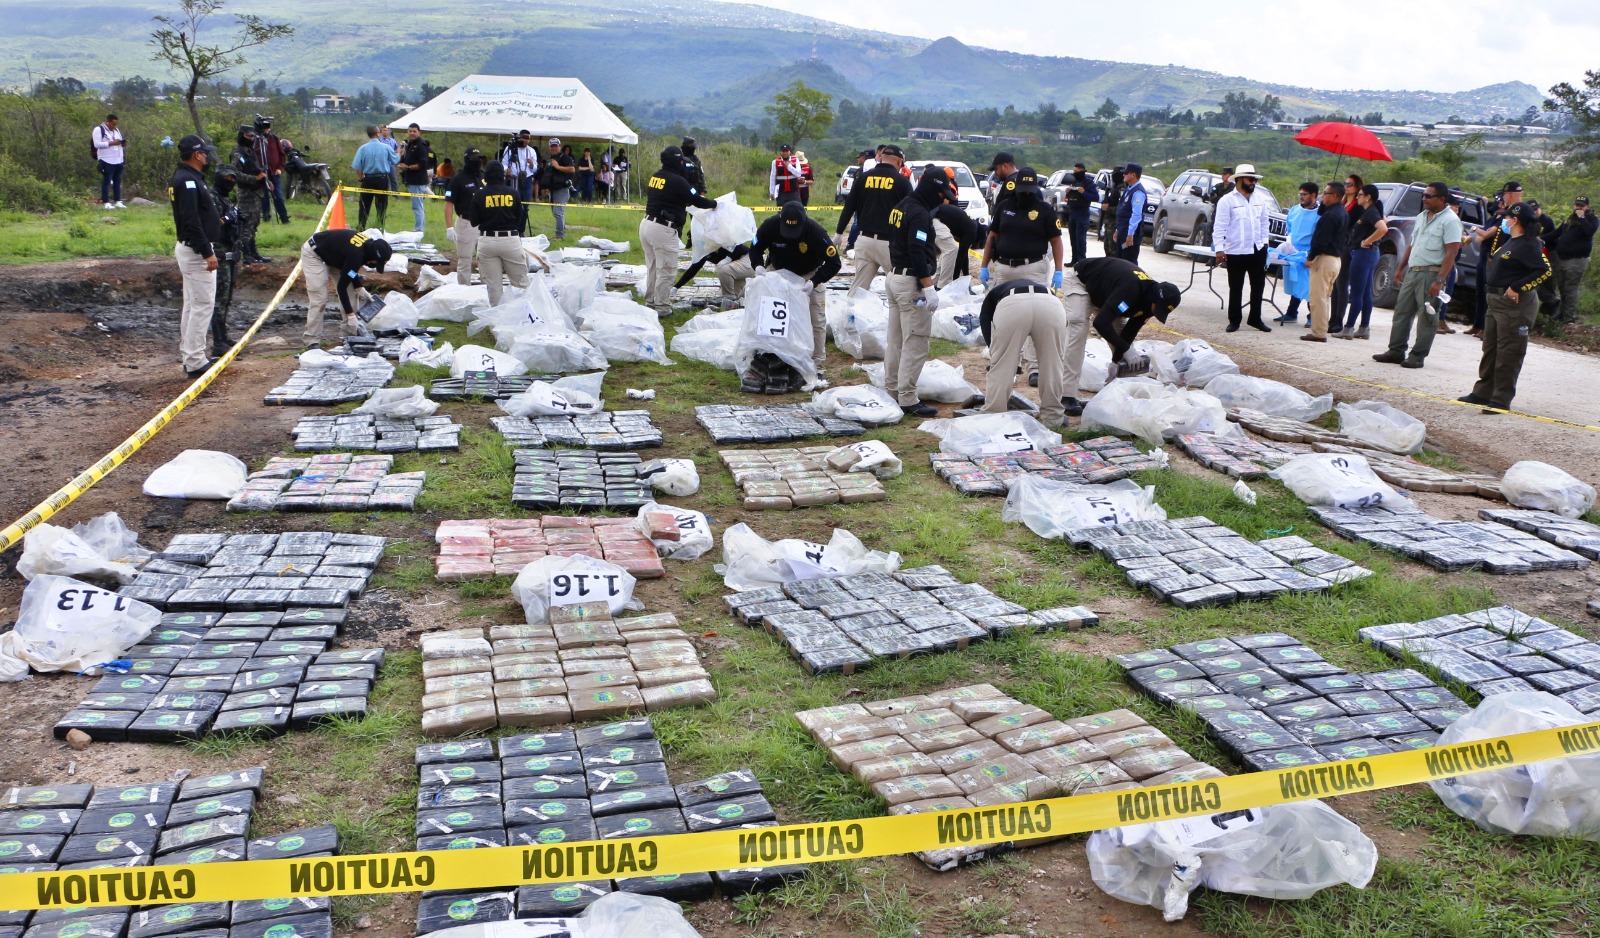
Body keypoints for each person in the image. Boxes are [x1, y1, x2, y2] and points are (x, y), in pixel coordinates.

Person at [1458, 202, 1552, 414]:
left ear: (1515, 220)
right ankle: (1483, 392)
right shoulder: (1512, 240)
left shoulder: (1530, 244)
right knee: (1490, 348)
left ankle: (1500, 399)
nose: (1504, 221)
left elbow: (1544, 271)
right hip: (1495, 302)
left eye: (1506, 218)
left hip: (1513, 306)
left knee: (1509, 351)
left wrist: (1518, 286)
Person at [885, 167, 956, 416]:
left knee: (896, 341)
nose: (943, 198)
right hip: (911, 284)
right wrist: (928, 286)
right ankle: (907, 399)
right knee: (915, 342)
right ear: (932, 190)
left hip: (894, 277)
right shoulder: (919, 213)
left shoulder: (902, 205)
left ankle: (892, 390)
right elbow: (916, 250)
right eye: (942, 193)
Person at [749, 201, 843, 380]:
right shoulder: (769, 226)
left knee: (816, 319)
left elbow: (834, 263)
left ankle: (817, 365)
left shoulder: (816, 232)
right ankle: (768, 357)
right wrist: (758, 266)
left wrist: (814, 282)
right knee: (769, 316)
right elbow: (755, 248)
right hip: (777, 271)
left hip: (809, 274)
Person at [1374, 181, 1463, 369]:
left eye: (1429, 196)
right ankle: (1396, 350)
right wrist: (1400, 268)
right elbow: (1412, 244)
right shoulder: (1422, 216)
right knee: (1402, 311)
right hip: (1413, 272)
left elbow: (1451, 253)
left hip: (1432, 274)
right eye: (1424, 195)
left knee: (1427, 317)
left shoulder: (1450, 220)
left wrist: (1440, 280)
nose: (1424, 199)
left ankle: (1417, 356)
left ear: (1442, 199)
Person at [979, 278, 1068, 428]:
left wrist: (995, 351)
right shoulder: (1038, 288)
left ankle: (993, 415)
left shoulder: (994, 294)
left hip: (1013, 305)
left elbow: (985, 318)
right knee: (1053, 364)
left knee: (1002, 365)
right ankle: (1053, 417)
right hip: (1051, 304)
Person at [1075, 256, 1182, 380]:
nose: (1156, 313)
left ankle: (1115, 378)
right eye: (1159, 308)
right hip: (1081, 280)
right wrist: (1126, 349)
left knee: (1121, 341)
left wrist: (1116, 361)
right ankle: (1067, 386)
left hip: (1108, 296)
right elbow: (1100, 323)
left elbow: (1131, 330)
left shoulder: (1150, 302)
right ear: (1155, 298)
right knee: (1077, 329)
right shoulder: (1131, 290)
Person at [639, 145, 717, 314]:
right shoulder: (677, 181)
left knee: (653, 267)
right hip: (662, 228)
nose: (683, 164)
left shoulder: (656, 176)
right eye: (681, 161)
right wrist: (715, 204)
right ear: (676, 162)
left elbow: (671, 197)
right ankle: (662, 308)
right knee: (666, 271)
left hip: (647, 225)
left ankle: (651, 303)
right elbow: (697, 200)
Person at [168, 135, 220, 377]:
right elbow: (191, 220)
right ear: (196, 154)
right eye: (204, 152)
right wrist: (207, 252)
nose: (207, 156)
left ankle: (191, 355)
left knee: (192, 305)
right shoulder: (187, 180)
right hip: (196, 251)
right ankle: (195, 360)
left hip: (191, 248)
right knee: (202, 305)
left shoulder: (187, 177)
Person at [835, 144, 910, 292]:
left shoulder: (863, 178)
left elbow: (848, 207)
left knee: (858, 289)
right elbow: (909, 213)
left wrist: (838, 232)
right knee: (899, 288)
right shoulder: (902, 182)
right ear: (899, 161)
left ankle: (851, 308)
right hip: (889, 244)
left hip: (864, 241)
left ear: (881, 158)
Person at [299, 228, 392, 347]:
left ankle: (348, 335)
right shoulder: (357, 254)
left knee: (352, 291)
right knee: (319, 299)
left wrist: (359, 287)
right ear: (373, 257)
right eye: (375, 262)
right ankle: (312, 340)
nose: (373, 264)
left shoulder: (367, 248)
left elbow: (351, 271)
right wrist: (351, 315)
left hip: (335, 255)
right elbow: (341, 287)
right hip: (314, 253)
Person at [1212, 163, 1272, 332]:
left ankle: (1255, 318)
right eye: (1250, 179)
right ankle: (1234, 320)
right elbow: (1220, 226)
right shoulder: (1227, 200)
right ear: (1239, 180)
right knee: (1236, 287)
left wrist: (1264, 243)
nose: (1253, 182)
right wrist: (1219, 249)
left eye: (1254, 179)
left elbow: (1264, 223)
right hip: (1236, 250)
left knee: (1258, 286)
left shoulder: (1259, 199)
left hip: (1257, 249)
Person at [1468, 182, 1525, 337]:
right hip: (1490, 255)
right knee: (1482, 292)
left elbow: (1491, 235)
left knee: (1493, 294)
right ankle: (1479, 325)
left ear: (1510, 194)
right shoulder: (1501, 214)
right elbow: (1486, 236)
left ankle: (1488, 329)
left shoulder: (1521, 211)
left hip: (1504, 259)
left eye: (1503, 196)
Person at [1334, 184, 1389, 339]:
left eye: (1360, 194)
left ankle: (1348, 328)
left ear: (1368, 197)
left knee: (1357, 293)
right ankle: (1364, 327)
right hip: (1370, 254)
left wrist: (1367, 240)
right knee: (1365, 292)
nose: (1357, 197)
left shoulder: (1371, 212)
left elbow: (1383, 228)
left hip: (1363, 253)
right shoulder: (1372, 210)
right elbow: (1384, 220)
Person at [473, 163, 528, 307]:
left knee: (493, 286)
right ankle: (523, 313)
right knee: (520, 283)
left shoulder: (479, 194)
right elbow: (520, 218)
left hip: (487, 240)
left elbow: (474, 221)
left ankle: (496, 317)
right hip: (510, 239)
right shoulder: (513, 193)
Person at [1303, 181, 1349, 342]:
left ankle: (1318, 332)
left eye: (1326, 193)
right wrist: (1323, 203)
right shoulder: (1342, 212)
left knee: (1317, 297)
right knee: (1324, 296)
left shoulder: (1330, 216)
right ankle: (1321, 328)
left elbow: (1320, 240)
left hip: (1325, 259)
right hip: (1336, 259)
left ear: (1334, 196)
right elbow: (1321, 211)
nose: (1323, 196)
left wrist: (1310, 258)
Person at [1273, 183, 1319, 324]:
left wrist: (1311, 254)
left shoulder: (1320, 213)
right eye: (1300, 194)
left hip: (1310, 254)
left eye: (1304, 194)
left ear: (1313, 195)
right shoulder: (1294, 210)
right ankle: (1292, 312)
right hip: (1293, 253)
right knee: (1295, 283)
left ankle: (1313, 316)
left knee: (1309, 286)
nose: (1301, 197)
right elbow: (1290, 229)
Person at [209, 166, 241, 358]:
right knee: (219, 299)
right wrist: (229, 217)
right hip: (218, 250)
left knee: (227, 297)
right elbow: (213, 222)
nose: (230, 182)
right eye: (227, 178)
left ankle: (224, 336)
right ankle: (217, 342)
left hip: (230, 249)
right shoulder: (212, 197)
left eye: (233, 179)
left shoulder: (226, 198)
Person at [1549, 196, 1596, 323]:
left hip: (1577, 260)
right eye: (1577, 205)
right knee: (1562, 287)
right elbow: (1557, 233)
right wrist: (1540, 238)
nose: (1578, 208)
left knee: (1570, 288)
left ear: (1587, 207)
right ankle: (1562, 313)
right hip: (1562, 259)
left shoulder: (1591, 219)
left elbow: (1589, 232)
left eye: (1581, 206)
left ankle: (1569, 317)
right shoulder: (1570, 219)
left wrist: (1582, 218)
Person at [227, 125, 270, 265]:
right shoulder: (237, 154)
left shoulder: (250, 152)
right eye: (248, 136)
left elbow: (256, 169)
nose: (251, 139)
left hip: (256, 191)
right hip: (246, 192)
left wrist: (265, 180)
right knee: (246, 223)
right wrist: (254, 179)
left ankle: (253, 252)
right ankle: (246, 254)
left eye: (252, 136)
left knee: (254, 223)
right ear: (242, 136)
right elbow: (235, 173)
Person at [443, 147, 485, 286]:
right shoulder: (457, 180)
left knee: (486, 259)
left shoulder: (484, 177)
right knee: (465, 260)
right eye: (474, 158)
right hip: (467, 223)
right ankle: (464, 289)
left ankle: (486, 288)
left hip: (485, 223)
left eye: (479, 158)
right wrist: (449, 227)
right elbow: (449, 203)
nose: (477, 161)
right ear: (467, 160)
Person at [1329, 172, 1365, 332]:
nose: (1346, 186)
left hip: (1347, 246)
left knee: (1342, 284)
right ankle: (1332, 318)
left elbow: (1350, 226)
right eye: (1345, 183)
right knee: (1335, 284)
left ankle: (1338, 320)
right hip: (1336, 245)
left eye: (1350, 184)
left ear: (1357, 187)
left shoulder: (1357, 206)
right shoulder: (1342, 203)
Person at [352, 126, 398, 229]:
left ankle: (361, 227)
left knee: (364, 205)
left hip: (368, 179)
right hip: (382, 179)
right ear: (378, 134)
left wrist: (361, 178)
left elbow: (358, 168)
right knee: (381, 205)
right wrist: (399, 152)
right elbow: (395, 160)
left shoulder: (363, 148)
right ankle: (380, 227)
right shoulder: (386, 147)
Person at [397, 123, 435, 233]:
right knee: (418, 205)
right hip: (411, 179)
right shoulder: (410, 144)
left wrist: (408, 167)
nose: (412, 133)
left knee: (417, 206)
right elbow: (407, 160)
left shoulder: (421, 145)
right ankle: (419, 228)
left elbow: (423, 164)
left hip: (418, 180)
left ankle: (418, 230)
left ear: (419, 132)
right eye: (410, 131)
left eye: (414, 131)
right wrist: (402, 160)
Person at [933, 197, 978, 288]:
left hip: (934, 216)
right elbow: (960, 257)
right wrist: (954, 282)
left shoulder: (968, 224)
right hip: (935, 218)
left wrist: (966, 277)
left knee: (947, 249)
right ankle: (943, 286)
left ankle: (934, 282)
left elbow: (964, 255)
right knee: (952, 249)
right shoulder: (972, 229)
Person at [253, 116, 290, 225]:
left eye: (268, 128)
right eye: (265, 128)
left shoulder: (274, 138)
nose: (267, 130)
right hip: (262, 172)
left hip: (274, 172)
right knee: (264, 196)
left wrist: (279, 168)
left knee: (278, 196)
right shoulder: (255, 141)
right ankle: (266, 217)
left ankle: (284, 218)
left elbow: (282, 155)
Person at [502, 131, 538, 236]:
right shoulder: (510, 149)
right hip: (514, 178)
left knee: (525, 205)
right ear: (519, 138)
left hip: (527, 179)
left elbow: (535, 168)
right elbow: (503, 163)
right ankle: (513, 229)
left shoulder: (531, 151)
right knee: (514, 204)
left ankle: (521, 230)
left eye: (528, 139)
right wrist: (506, 170)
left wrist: (531, 164)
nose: (526, 141)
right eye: (524, 138)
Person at [1062, 162, 1098, 264]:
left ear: (1082, 171)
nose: (1074, 173)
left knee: (1080, 238)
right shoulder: (1074, 182)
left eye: (1076, 171)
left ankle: (1082, 261)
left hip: (1083, 213)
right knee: (1073, 237)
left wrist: (1084, 192)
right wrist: (1067, 193)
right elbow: (1068, 198)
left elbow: (1096, 197)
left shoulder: (1088, 183)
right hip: (1073, 212)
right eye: (1074, 171)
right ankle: (1074, 260)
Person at [1115, 163, 1149, 267]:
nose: (1123, 175)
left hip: (1130, 233)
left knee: (1129, 262)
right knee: (1120, 260)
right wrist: (1117, 229)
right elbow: (1122, 211)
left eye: (1126, 173)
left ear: (1133, 175)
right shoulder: (1128, 189)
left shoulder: (1138, 192)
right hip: (1122, 230)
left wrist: (1130, 234)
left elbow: (1136, 215)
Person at [544, 138, 576, 239]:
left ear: (560, 147)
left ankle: (560, 235)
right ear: (549, 147)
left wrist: (558, 167)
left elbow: (572, 169)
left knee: (558, 212)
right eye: (552, 146)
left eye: (556, 146)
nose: (554, 148)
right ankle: (562, 230)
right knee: (556, 212)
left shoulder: (565, 157)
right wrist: (546, 187)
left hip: (562, 189)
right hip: (552, 189)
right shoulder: (550, 159)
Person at [93, 114, 125, 209]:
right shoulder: (99, 130)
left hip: (118, 159)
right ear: (108, 122)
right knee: (107, 181)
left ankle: (117, 201)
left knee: (117, 181)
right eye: (113, 124)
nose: (114, 126)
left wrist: (122, 143)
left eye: (116, 124)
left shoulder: (116, 130)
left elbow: (118, 142)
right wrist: (111, 143)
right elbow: (97, 144)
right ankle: (106, 202)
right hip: (107, 160)